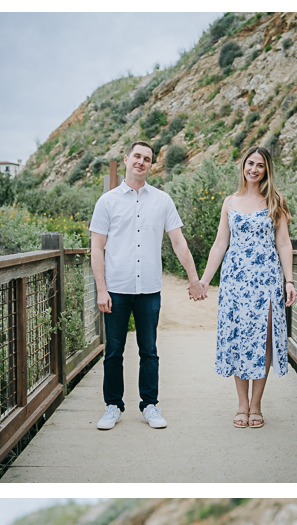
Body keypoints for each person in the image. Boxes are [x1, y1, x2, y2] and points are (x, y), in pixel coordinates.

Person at [89, 141, 206, 431]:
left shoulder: (162, 201)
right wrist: (101, 290)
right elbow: (97, 248)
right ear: (126, 159)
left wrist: (194, 279)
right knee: (114, 351)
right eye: (137, 157)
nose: (141, 162)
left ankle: (150, 405)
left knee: (149, 349)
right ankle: (113, 406)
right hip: (116, 288)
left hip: (149, 289)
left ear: (151, 165)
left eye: (147, 159)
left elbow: (178, 241)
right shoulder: (107, 201)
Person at [198, 146, 296, 429]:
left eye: (260, 165)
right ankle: (242, 405)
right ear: (243, 166)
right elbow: (220, 243)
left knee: (264, 338)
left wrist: (289, 280)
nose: (254, 169)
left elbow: (284, 243)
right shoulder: (230, 201)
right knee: (238, 337)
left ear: (267, 170)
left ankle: (257, 405)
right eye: (250, 163)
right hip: (235, 279)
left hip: (266, 278)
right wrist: (205, 280)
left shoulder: (276, 200)